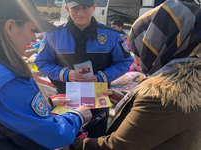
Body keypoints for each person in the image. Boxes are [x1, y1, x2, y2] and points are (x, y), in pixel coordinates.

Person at [0, 0, 93, 150]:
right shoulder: (5, 79)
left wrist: (46, 104)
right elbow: (54, 135)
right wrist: (78, 116)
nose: (35, 39)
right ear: (10, 26)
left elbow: (0, 112)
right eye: (32, 30)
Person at [71, 0, 201, 149]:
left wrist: (67, 144)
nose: (138, 58)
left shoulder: (163, 96)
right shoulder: (190, 80)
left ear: (157, 44)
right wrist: (127, 101)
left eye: (140, 48)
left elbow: (117, 146)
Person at [35, 0, 133, 138]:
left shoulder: (111, 35)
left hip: (99, 100)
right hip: (65, 99)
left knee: (96, 139)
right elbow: (42, 62)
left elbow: (124, 62)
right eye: (75, 8)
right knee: (68, 139)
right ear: (68, 9)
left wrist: (101, 77)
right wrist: (65, 74)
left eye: (85, 7)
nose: (80, 13)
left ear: (93, 7)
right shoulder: (54, 34)